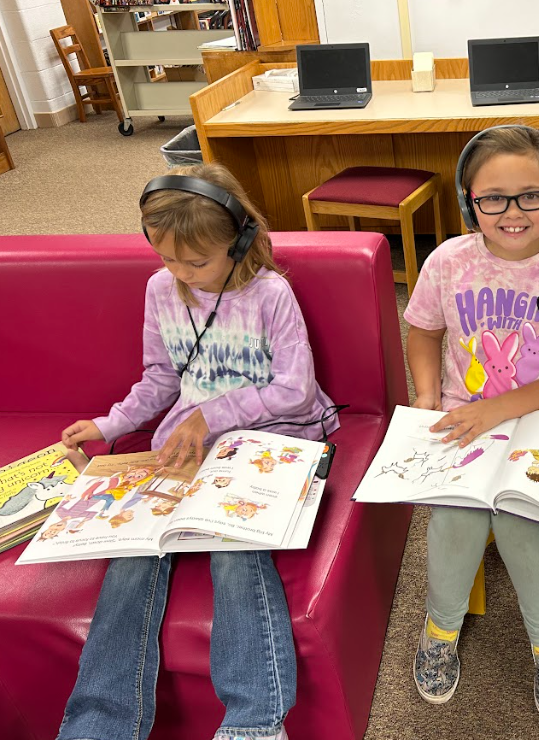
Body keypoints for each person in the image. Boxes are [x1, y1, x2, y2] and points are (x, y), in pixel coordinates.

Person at [56, 162, 339, 740]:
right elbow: (161, 377)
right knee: (132, 552)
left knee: (232, 548)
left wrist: (211, 413)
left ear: (240, 240)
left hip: (274, 438)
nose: (181, 273)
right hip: (189, 447)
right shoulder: (160, 289)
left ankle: (254, 724)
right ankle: (98, 725)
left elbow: (296, 389)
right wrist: (110, 424)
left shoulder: (270, 293)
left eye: (197, 261)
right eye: (167, 259)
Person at [404, 124, 539, 721]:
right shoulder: (448, 260)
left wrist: (494, 411)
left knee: (523, 516)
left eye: (531, 195)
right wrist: (427, 395)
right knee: (456, 516)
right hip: (465, 418)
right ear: (468, 200)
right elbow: (423, 331)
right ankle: (440, 627)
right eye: (493, 199)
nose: (513, 213)